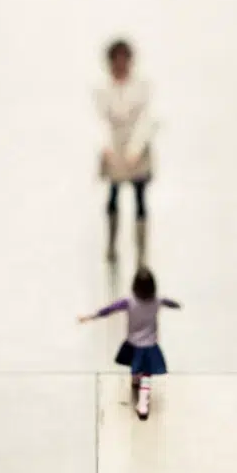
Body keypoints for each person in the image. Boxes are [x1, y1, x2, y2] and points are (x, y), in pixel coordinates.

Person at [80, 267, 181, 420]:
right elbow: (169, 302)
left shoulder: (128, 302)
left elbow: (109, 309)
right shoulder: (157, 301)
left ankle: (135, 380)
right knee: (147, 372)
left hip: (133, 342)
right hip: (150, 344)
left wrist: (91, 316)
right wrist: (176, 305)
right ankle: (143, 404)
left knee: (136, 365)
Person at [94, 39, 157, 261]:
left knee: (140, 198)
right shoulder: (103, 89)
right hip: (114, 145)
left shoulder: (141, 86)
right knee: (113, 194)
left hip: (135, 145)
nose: (120, 65)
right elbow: (99, 120)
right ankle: (111, 244)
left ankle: (141, 249)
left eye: (124, 59)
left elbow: (148, 118)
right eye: (116, 60)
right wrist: (106, 146)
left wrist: (136, 148)